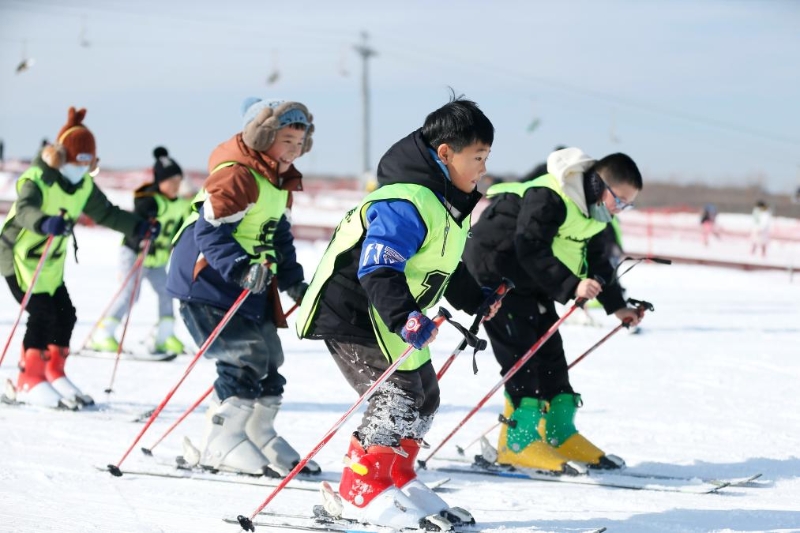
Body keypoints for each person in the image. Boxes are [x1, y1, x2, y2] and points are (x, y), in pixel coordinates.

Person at [296, 96, 501, 531]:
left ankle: (396, 475)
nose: (483, 168)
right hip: (355, 310)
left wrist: (476, 298)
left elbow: (443, 264)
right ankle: (361, 486)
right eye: (478, 157)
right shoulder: (405, 201)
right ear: (445, 153)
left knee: (425, 394)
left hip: (393, 314)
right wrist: (405, 316)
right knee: (398, 395)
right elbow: (379, 267)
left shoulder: (448, 203)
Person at [463, 147, 643, 474]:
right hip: (496, 272)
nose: (620, 209)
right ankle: (516, 442)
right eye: (619, 200)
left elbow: (599, 261)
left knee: (550, 354)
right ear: (600, 185)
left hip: (532, 280)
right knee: (522, 355)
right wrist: (573, 285)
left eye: (627, 205)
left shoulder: (594, 214)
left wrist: (618, 307)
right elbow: (529, 246)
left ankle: (559, 433)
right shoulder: (549, 196)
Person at [166, 98, 318, 478]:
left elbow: (279, 238)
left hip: (250, 285)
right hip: (209, 283)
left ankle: (256, 433)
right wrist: (240, 267)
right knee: (243, 357)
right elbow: (209, 232)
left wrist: (294, 281)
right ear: (262, 137)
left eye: (299, 143)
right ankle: (222, 441)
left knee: (268, 358)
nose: (293, 150)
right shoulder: (237, 176)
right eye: (286, 141)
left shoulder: (280, 182)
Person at [0, 107, 157, 409]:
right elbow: (25, 210)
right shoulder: (37, 180)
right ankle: (28, 379)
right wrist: (45, 222)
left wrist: (138, 227)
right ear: (59, 158)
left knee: (66, 314)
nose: (81, 169)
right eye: (76, 162)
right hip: (17, 258)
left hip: (49, 264)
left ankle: (53, 372)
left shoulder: (83, 185)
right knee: (42, 314)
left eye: (87, 163)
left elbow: (106, 213)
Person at [89, 147, 191, 359]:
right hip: (136, 255)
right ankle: (103, 334)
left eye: (178, 181)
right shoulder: (150, 198)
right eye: (170, 181)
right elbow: (141, 206)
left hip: (158, 260)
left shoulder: (181, 204)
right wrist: (148, 218)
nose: (175, 186)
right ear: (160, 182)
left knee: (167, 293)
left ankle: (164, 335)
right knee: (130, 295)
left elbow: (182, 227)